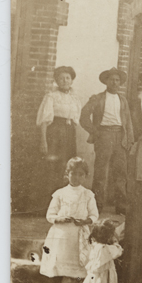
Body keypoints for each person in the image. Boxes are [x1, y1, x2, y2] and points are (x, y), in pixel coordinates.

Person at [41, 157, 98, 283]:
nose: (76, 177)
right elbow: (50, 215)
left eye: (81, 174)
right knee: (56, 273)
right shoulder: (59, 194)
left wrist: (85, 221)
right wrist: (60, 219)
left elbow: (94, 215)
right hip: (60, 236)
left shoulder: (88, 195)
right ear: (67, 174)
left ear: (85, 176)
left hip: (78, 238)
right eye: (73, 174)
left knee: (77, 274)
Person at [79, 67, 134, 213]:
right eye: (112, 80)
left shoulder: (123, 100)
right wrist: (95, 131)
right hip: (104, 135)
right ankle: (97, 205)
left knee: (121, 173)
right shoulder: (98, 98)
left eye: (117, 80)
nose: (115, 83)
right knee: (101, 172)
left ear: (120, 83)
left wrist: (129, 140)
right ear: (106, 82)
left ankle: (121, 206)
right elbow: (83, 116)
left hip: (120, 137)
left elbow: (128, 122)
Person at [36, 66, 82, 199]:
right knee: (53, 167)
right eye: (61, 78)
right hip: (54, 134)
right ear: (56, 81)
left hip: (69, 133)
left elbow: (75, 119)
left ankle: (64, 202)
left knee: (68, 166)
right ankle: (47, 202)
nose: (65, 81)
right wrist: (43, 141)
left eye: (68, 78)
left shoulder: (74, 98)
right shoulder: (51, 96)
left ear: (72, 80)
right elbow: (44, 120)